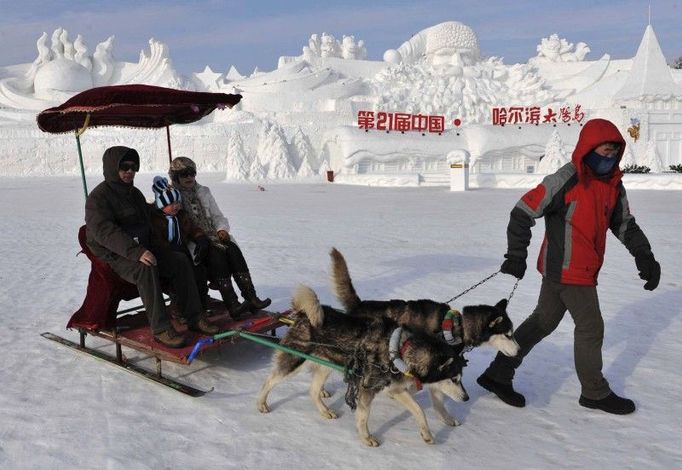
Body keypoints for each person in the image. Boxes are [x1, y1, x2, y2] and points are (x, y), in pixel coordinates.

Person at [477, 118, 661, 415]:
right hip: (569, 271)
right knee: (591, 328)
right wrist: (516, 254)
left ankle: (498, 374)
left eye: (614, 151)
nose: (609, 157)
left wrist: (645, 256)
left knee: (542, 322)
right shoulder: (567, 179)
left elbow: (624, 224)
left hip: (576, 270)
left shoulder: (613, 184)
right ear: (588, 148)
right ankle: (594, 392)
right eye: (604, 150)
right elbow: (522, 211)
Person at [84, 146, 217, 349]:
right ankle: (161, 328)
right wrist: (136, 252)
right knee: (145, 268)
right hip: (116, 254)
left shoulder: (134, 194)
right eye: (124, 167)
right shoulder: (98, 198)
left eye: (133, 167)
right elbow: (104, 231)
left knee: (179, 260)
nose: (129, 171)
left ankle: (194, 317)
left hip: (142, 246)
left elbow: (149, 219)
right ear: (112, 168)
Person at [168, 156, 271, 318]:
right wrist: (199, 237)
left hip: (212, 236)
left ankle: (251, 297)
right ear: (175, 177)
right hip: (192, 242)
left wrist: (221, 229)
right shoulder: (171, 196)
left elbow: (217, 216)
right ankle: (232, 304)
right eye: (184, 174)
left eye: (192, 173)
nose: (189, 178)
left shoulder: (203, 191)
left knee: (232, 249)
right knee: (216, 255)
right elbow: (176, 223)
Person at [149, 176, 218, 334]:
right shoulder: (156, 220)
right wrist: (169, 251)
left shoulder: (181, 216)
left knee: (199, 271)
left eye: (177, 203)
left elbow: (192, 228)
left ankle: (200, 305)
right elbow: (156, 241)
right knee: (178, 280)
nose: (176, 207)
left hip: (182, 253)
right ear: (161, 204)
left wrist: (200, 238)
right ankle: (179, 310)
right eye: (171, 204)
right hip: (167, 257)